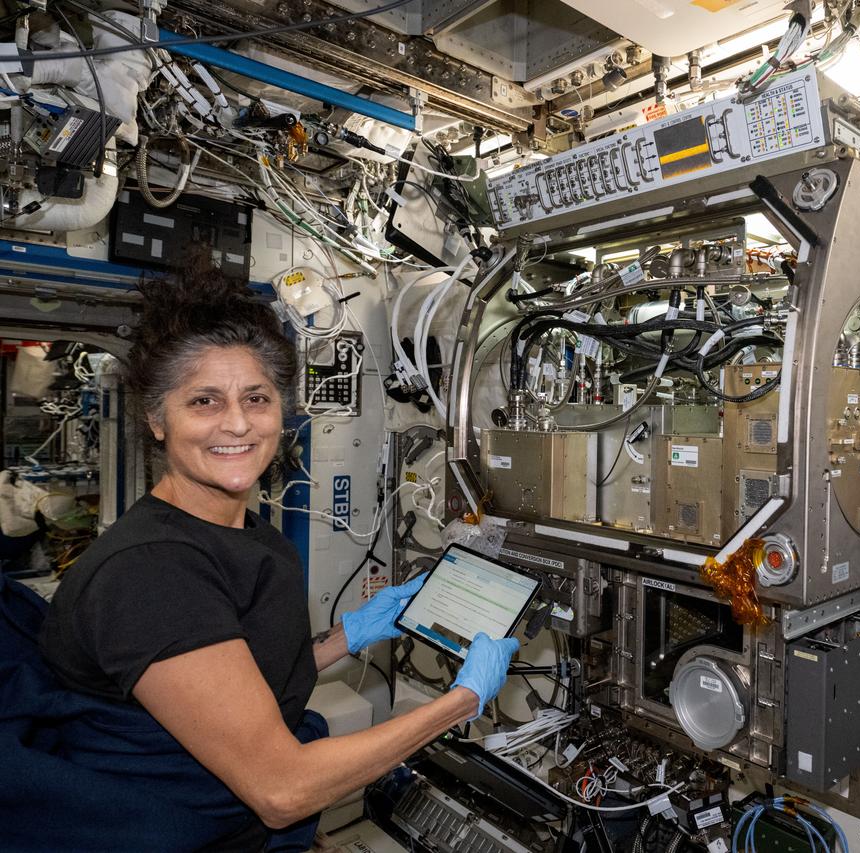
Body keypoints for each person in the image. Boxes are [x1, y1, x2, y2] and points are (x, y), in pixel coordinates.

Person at [35, 262, 519, 850]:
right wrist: (462, 700)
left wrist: (351, 635)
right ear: (156, 419)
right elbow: (282, 788)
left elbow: (236, 686)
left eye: (256, 398)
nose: (237, 423)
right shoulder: (151, 572)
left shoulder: (250, 536)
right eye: (205, 401)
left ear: (282, 411)